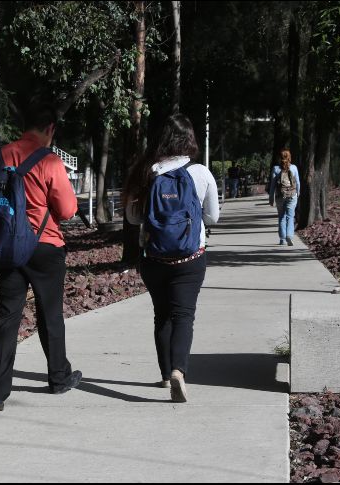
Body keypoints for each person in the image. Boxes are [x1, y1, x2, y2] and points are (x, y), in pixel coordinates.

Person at [0, 101, 82, 412]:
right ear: (50, 129)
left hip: (9, 248)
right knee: (50, 313)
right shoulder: (49, 161)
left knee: (7, 317)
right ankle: (58, 377)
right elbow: (66, 210)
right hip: (45, 246)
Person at [124, 113, 219, 403]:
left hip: (154, 259)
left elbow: (132, 216)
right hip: (190, 259)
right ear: (189, 139)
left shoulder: (144, 171)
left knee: (161, 316)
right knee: (183, 315)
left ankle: (166, 375)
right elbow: (213, 216)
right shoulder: (200, 173)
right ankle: (179, 370)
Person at [269, 149, 300, 246]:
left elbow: (273, 185)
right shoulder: (294, 168)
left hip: (280, 195)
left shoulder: (276, 169)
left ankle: (282, 239)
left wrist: (271, 197)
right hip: (292, 195)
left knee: (281, 217)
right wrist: (298, 193)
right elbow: (298, 182)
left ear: (280, 158)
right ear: (289, 157)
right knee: (290, 217)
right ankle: (289, 236)